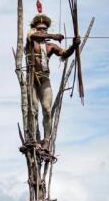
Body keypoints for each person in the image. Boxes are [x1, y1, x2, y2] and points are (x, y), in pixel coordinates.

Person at [26, 13, 80, 150]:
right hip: (31, 79)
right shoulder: (30, 39)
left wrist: (74, 46)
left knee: (47, 110)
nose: (42, 31)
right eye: (39, 28)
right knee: (33, 110)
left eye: (44, 29)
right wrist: (54, 35)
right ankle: (33, 138)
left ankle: (47, 139)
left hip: (44, 79)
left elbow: (64, 53)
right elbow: (34, 35)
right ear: (34, 29)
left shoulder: (50, 46)